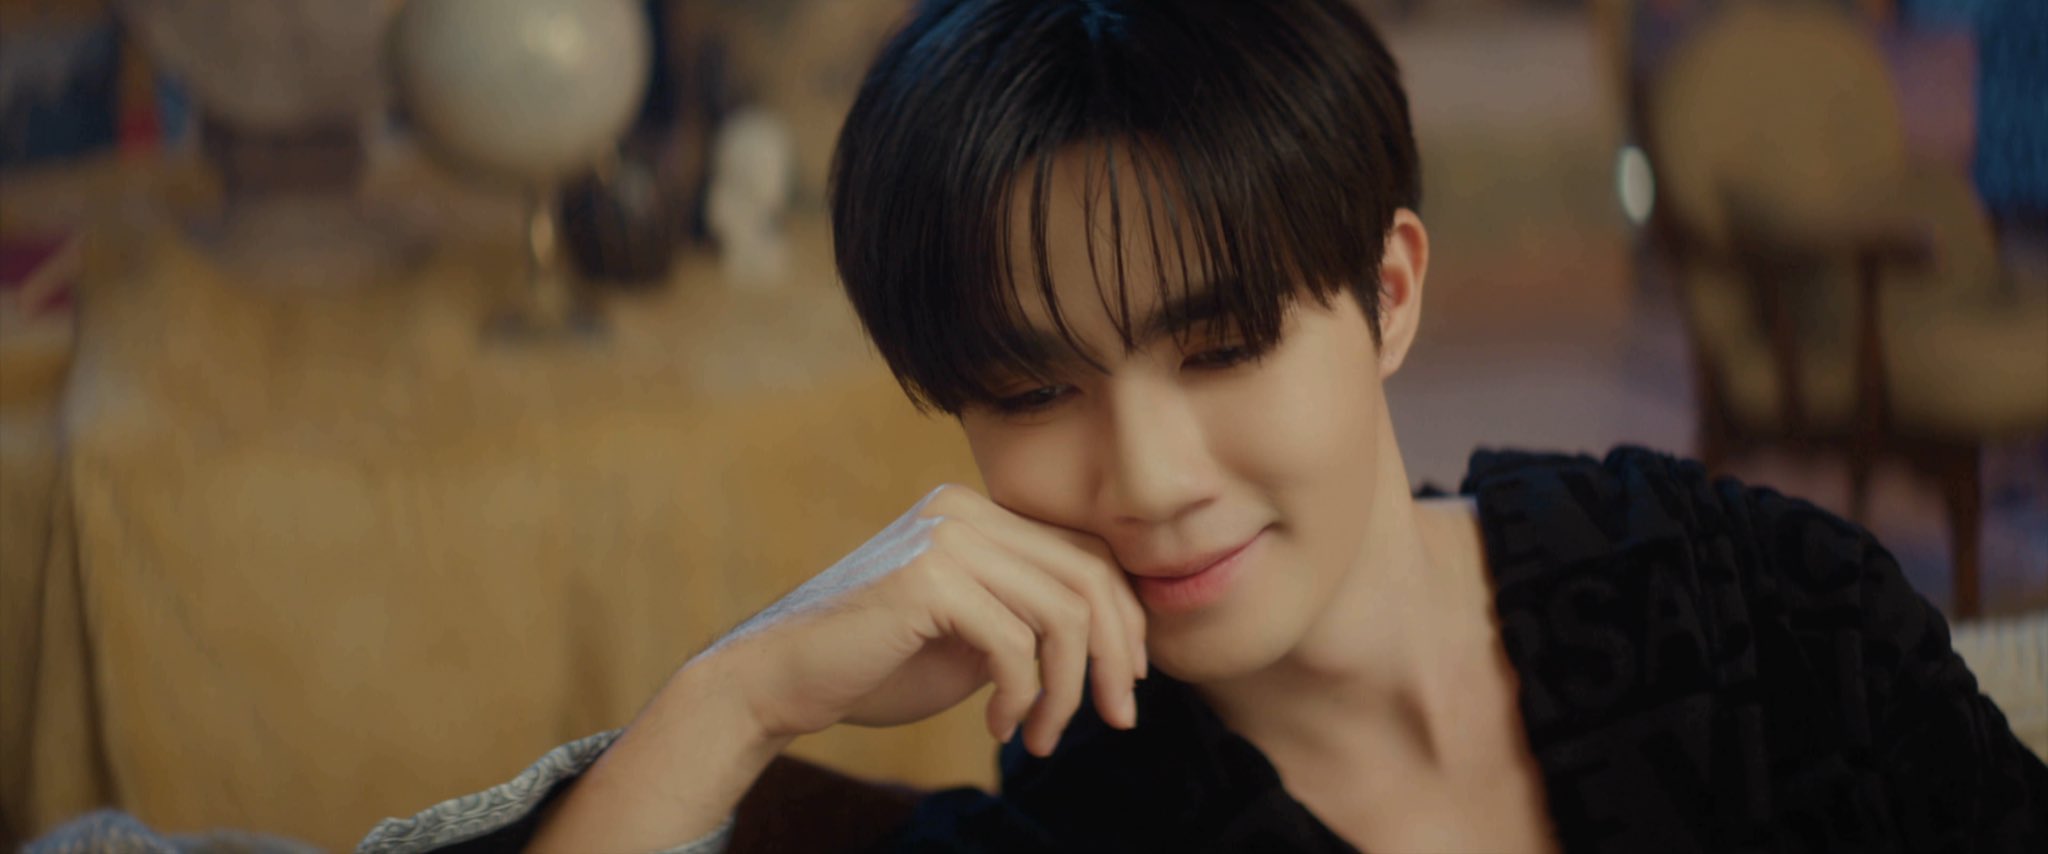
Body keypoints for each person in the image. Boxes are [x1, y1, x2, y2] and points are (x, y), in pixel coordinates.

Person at [358, 1, 2048, 852]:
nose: (1152, 479)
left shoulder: (1761, 611)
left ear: (1389, 293)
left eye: (1225, 348)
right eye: (1033, 388)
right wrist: (741, 691)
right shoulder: (1078, 829)